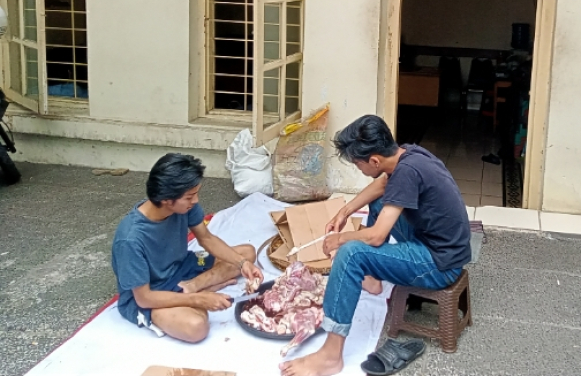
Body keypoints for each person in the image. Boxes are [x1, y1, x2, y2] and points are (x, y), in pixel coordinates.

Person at [280, 115, 471, 376]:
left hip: (438, 263)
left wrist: (341, 238)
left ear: (374, 160)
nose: (358, 169)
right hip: (438, 244)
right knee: (381, 201)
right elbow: (382, 184)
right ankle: (371, 277)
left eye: (357, 164)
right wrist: (345, 212)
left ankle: (331, 355)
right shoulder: (409, 154)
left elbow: (377, 236)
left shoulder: (406, 173)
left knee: (351, 254)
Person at [111, 153, 263, 342]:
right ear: (167, 199)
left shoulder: (184, 207)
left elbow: (206, 238)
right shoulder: (130, 240)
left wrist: (241, 264)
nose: (196, 201)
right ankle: (193, 293)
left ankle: (192, 286)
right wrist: (199, 300)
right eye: (190, 196)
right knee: (196, 327)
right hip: (151, 292)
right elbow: (144, 298)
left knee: (246, 253)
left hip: (184, 267)